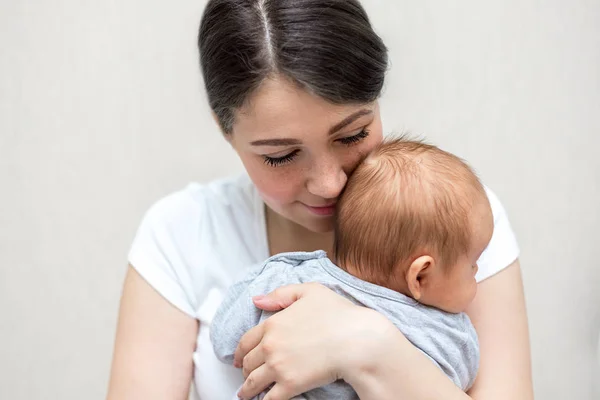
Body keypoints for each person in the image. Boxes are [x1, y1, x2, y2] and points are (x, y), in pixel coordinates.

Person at [107, 1, 533, 399]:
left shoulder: (459, 220)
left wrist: (366, 345)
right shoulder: (181, 234)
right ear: (225, 130)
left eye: (353, 135)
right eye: (282, 156)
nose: (330, 184)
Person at [211, 138, 493, 399]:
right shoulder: (447, 336)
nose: (477, 272)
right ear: (419, 276)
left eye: (352, 134)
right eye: (472, 265)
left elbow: (225, 339)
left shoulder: (289, 280)